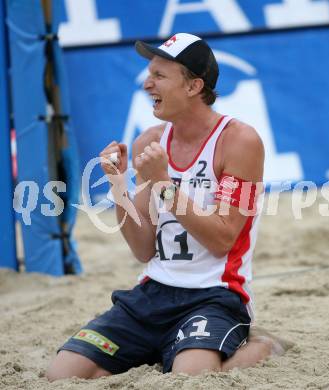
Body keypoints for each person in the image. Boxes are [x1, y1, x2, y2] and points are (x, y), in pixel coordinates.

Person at [46, 33, 290, 381]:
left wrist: (164, 183)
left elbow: (223, 239)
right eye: (149, 74)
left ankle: (262, 345)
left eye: (159, 76)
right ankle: (169, 347)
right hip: (154, 292)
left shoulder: (240, 141)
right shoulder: (151, 140)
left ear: (194, 86)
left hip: (216, 295)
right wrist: (118, 186)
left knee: (190, 377)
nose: (147, 84)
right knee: (62, 373)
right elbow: (142, 249)